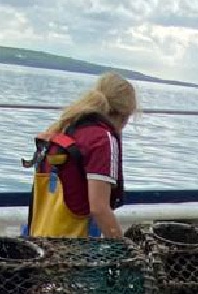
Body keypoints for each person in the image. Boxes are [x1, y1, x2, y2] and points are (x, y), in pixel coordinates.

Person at [24, 72, 137, 239]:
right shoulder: (102, 139)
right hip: (75, 249)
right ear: (125, 114)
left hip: (42, 240)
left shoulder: (64, 127)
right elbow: (99, 208)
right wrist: (124, 247)